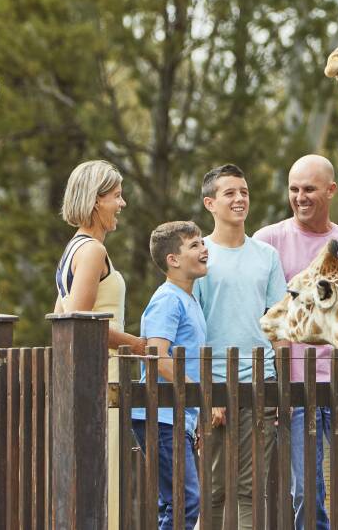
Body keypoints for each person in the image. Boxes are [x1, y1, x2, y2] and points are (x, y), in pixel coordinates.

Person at [253, 154, 338, 530]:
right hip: (295, 391)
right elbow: (262, 317)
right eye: (293, 189)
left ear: (331, 190)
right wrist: (276, 384)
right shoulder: (269, 243)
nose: (300, 197)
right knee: (306, 494)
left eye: (309, 189)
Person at [54, 160, 146, 530]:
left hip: (95, 377)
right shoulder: (91, 251)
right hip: (103, 375)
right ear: (95, 201)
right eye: (116, 196)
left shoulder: (71, 250)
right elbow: (79, 323)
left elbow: (59, 313)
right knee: (107, 481)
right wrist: (136, 344)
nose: (122, 204)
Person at [194, 164, 286, 530]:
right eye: (230, 193)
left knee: (250, 490)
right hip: (213, 386)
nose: (239, 199)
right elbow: (194, 328)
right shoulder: (199, 256)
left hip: (259, 384)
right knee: (214, 489)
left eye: (244, 192)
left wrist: (278, 386)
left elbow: (277, 325)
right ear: (210, 203)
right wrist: (205, 391)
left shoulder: (267, 257)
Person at [131, 221, 208, 530]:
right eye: (194, 245)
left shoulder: (190, 300)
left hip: (178, 417)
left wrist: (196, 411)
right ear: (172, 260)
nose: (204, 249)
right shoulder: (167, 300)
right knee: (185, 501)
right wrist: (197, 393)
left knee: (177, 501)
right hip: (161, 417)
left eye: (203, 243)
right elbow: (157, 355)